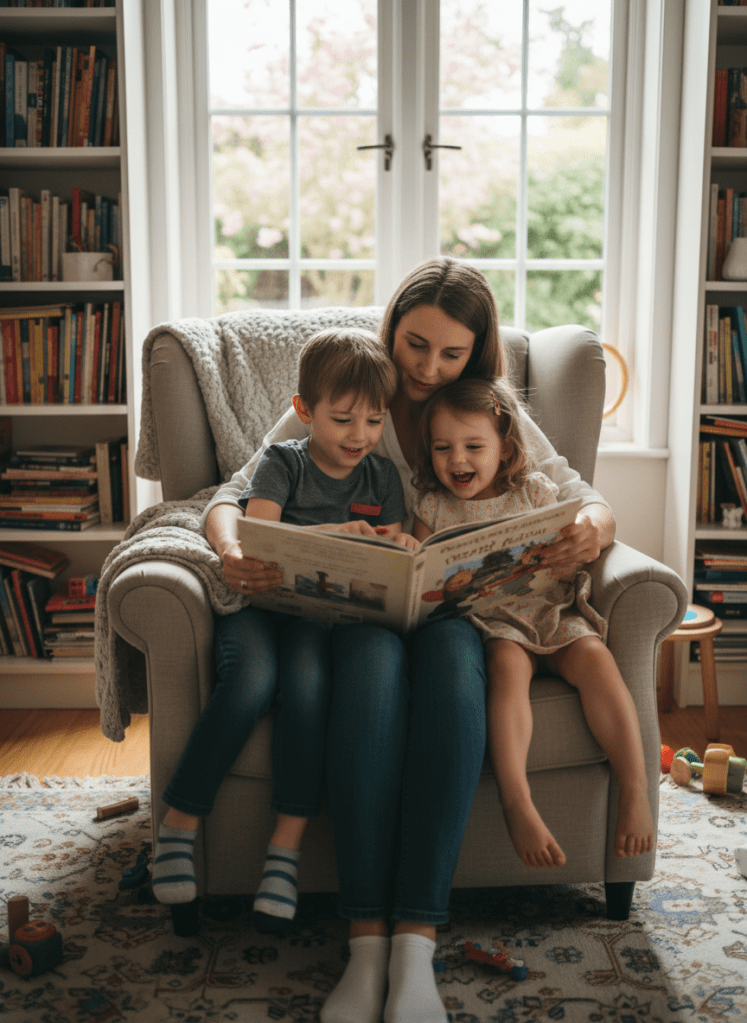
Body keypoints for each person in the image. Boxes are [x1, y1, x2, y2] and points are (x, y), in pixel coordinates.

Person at [202, 257, 617, 1023]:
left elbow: (581, 494)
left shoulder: (482, 407)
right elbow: (232, 493)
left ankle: (414, 946)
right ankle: (365, 945)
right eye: (415, 345)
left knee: (457, 686)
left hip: (457, 617)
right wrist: (231, 548)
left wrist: (592, 529)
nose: (428, 369)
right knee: (369, 686)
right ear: (389, 330)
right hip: (364, 619)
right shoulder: (353, 392)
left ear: (475, 353)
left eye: (451, 353)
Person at [151, 327, 415, 936]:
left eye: (375, 420)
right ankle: (179, 825)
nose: (360, 435)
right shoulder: (282, 462)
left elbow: (394, 548)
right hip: (259, 608)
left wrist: (399, 545)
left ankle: (284, 853)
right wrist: (334, 536)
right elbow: (262, 537)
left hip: (321, 623)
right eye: (344, 419)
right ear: (304, 410)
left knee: (308, 692)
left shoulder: (382, 478)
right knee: (249, 682)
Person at [411, 376, 654, 871]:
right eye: (442, 448)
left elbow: (575, 545)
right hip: (496, 624)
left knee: (595, 658)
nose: (457, 460)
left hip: (550, 610)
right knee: (507, 666)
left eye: (474, 446)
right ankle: (516, 801)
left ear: (504, 447)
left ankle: (635, 788)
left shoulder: (536, 490)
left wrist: (569, 552)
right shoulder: (432, 507)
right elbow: (421, 571)